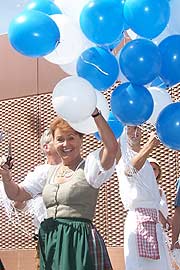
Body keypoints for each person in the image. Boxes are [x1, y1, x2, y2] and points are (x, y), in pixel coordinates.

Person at [0, 108, 118, 270]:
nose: (65, 144)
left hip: (79, 240)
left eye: (71, 138)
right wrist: (6, 177)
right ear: (53, 143)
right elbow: (17, 194)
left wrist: (95, 114)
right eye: (60, 139)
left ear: (80, 139)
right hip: (51, 240)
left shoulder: (90, 166)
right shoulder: (48, 172)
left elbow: (111, 149)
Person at [116, 126, 173, 270]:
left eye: (137, 128)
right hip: (138, 222)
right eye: (130, 128)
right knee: (141, 266)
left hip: (153, 222)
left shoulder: (146, 162)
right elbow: (130, 170)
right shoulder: (124, 157)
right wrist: (150, 145)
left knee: (161, 265)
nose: (136, 132)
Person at [148, 157, 171, 231]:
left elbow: (163, 210)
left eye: (154, 169)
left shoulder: (161, 190)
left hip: (162, 231)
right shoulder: (144, 190)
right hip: (150, 228)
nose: (151, 171)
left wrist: (168, 220)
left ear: (159, 172)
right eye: (149, 168)